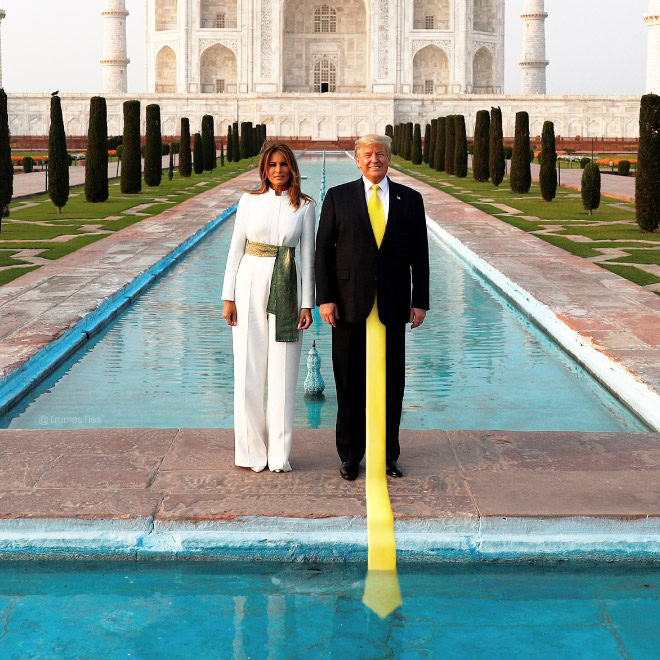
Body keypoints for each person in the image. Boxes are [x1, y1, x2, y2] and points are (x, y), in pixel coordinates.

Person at [315, 134, 429, 481]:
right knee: (349, 384)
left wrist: (419, 301)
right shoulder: (339, 196)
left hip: (392, 305)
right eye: (367, 154)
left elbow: (420, 255)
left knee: (391, 385)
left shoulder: (410, 199)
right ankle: (350, 455)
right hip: (349, 304)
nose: (374, 160)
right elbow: (323, 252)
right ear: (357, 159)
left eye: (380, 154)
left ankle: (387, 455)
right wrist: (325, 298)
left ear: (389, 159)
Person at [222, 143, 316, 473]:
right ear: (264, 169)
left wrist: (308, 305)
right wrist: (228, 297)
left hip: (288, 286)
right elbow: (235, 249)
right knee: (248, 372)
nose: (278, 170)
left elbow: (308, 257)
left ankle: (279, 455)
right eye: (272, 165)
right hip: (249, 283)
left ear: (292, 169)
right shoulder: (249, 201)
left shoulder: (304, 206)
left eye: (284, 165)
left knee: (284, 373)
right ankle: (250, 452)